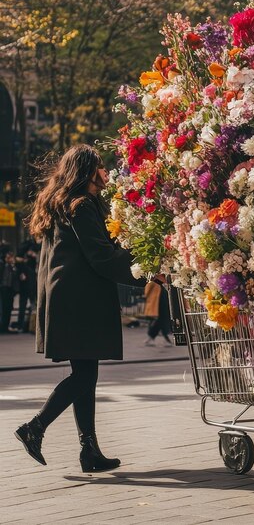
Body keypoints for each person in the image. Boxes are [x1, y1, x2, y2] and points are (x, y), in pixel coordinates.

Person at [13, 145, 154, 473]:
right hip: (80, 301)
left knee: (85, 374)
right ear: (88, 171)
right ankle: (35, 427)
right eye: (101, 167)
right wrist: (145, 269)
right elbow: (101, 256)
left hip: (69, 298)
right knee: (85, 374)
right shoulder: (81, 206)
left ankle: (89, 450)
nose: (106, 173)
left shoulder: (63, 204)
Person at [143, 280, 173, 346]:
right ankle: (164, 339)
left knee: (161, 319)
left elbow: (148, 287)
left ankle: (152, 337)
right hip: (161, 298)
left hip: (159, 299)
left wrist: (146, 295)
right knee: (162, 319)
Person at [0, 251, 19, 333]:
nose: (8, 259)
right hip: (3, 289)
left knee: (9, 308)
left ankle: (5, 326)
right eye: (7, 258)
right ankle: (2, 327)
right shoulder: (2, 265)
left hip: (10, 290)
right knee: (3, 309)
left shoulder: (14, 267)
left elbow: (16, 278)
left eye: (10, 258)